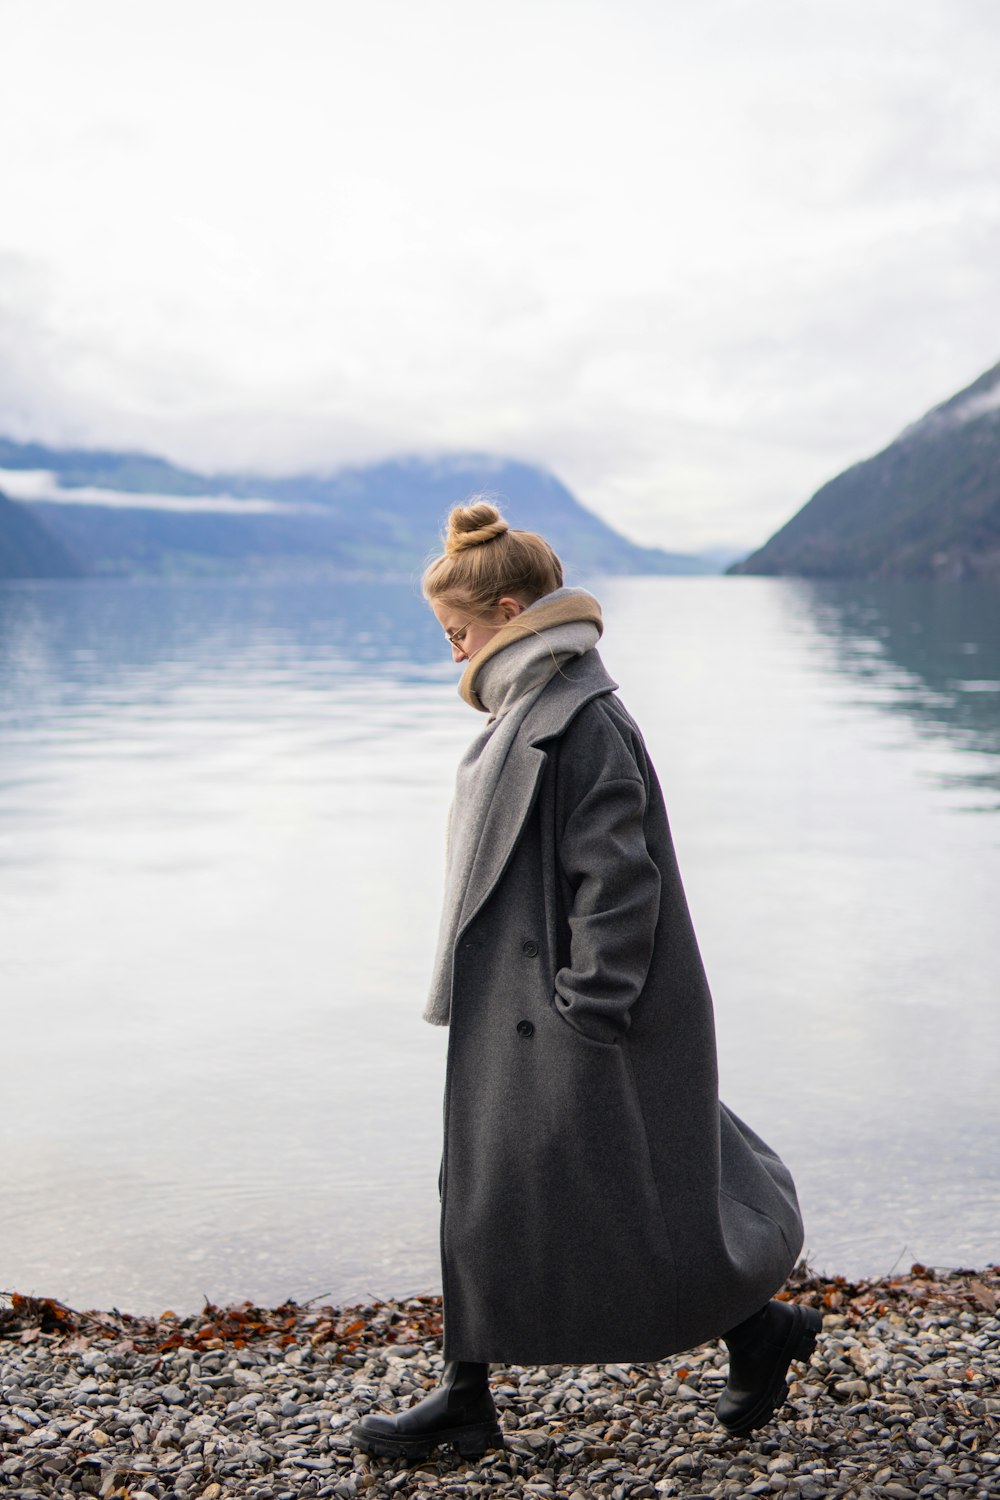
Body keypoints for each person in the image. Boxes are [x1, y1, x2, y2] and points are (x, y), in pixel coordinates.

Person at [353, 501, 820, 1462]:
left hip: (576, 1016)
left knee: (613, 1200)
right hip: (520, 1013)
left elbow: (618, 878)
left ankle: (755, 1329)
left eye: (459, 633)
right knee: (499, 1195)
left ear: (512, 611)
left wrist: (589, 1008)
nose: (453, 656)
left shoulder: (582, 720)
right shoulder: (532, 712)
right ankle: (471, 1392)